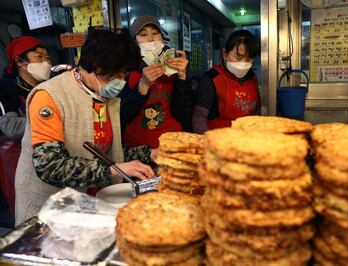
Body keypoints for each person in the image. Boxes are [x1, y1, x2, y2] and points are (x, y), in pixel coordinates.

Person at [14, 28, 156, 225]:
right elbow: (50, 166)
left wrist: (150, 154)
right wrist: (114, 170)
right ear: (91, 67)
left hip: (87, 204)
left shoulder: (107, 97)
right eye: (112, 76)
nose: (119, 83)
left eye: (124, 75)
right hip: (48, 208)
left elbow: (104, 152)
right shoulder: (50, 96)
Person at [120, 16, 192, 149]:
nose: (151, 39)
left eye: (155, 33)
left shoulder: (174, 67)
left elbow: (183, 112)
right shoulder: (124, 71)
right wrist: (143, 86)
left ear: (162, 39)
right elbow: (121, 116)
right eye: (143, 35)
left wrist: (182, 77)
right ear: (134, 42)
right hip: (137, 149)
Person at [0, 36, 52, 213]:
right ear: (20, 61)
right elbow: (10, 126)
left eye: (47, 57)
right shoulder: (6, 88)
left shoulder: (49, 86)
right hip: (18, 157)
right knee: (28, 210)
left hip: (47, 157)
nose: (45, 61)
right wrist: (48, 121)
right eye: (39, 57)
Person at [192, 30, 261, 133]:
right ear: (225, 55)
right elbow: (199, 118)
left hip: (247, 139)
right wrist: (207, 141)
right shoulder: (211, 79)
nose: (243, 63)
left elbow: (256, 112)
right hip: (219, 140)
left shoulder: (252, 77)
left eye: (248, 59)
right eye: (238, 56)